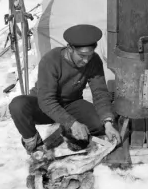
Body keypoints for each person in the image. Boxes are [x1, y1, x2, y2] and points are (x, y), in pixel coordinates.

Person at [9, 24, 121, 154]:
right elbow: (47, 101)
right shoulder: (51, 60)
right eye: (82, 55)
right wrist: (72, 123)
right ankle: (34, 143)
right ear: (69, 48)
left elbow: (100, 93)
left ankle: (70, 133)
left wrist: (108, 123)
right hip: (42, 106)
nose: (86, 61)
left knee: (99, 124)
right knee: (18, 105)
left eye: (89, 55)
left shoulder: (94, 61)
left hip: (71, 103)